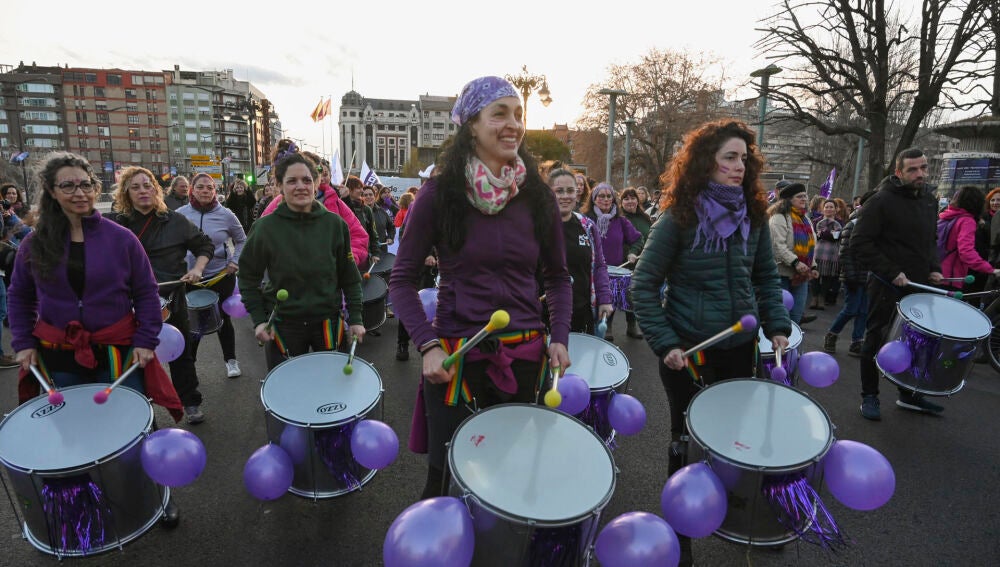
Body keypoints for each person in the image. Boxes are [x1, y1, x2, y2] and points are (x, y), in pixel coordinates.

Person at [389, 75, 571, 500]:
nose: (514, 124)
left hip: (526, 355)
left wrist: (559, 335)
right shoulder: (438, 194)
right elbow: (401, 279)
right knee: (446, 481)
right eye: (500, 114)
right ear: (471, 124)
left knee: (510, 477)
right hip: (456, 357)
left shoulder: (537, 197)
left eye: (519, 114)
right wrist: (428, 346)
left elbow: (558, 277)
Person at [630, 120, 790, 567]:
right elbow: (643, 285)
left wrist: (776, 324)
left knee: (737, 441)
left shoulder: (754, 216)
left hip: (738, 347)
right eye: (729, 158)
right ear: (706, 163)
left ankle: (742, 519)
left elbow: (764, 279)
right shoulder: (677, 217)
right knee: (688, 442)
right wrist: (665, 343)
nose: (740, 167)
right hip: (688, 353)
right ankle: (681, 534)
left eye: (744, 159)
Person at [238, 147, 365, 370]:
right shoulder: (264, 228)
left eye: (307, 180)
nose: (300, 187)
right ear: (279, 186)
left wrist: (355, 318)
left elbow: (349, 277)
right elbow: (248, 277)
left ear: (316, 184)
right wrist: (259, 319)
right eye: (292, 181)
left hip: (328, 322)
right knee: (286, 395)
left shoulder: (335, 225)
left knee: (331, 395)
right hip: (283, 324)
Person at [110, 166, 214, 425]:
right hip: (131, 301)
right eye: (135, 187)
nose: (143, 191)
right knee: (136, 356)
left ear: (156, 189)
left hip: (171, 297)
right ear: (126, 193)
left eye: (147, 185)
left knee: (181, 352)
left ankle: (190, 401)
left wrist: (197, 268)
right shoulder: (115, 224)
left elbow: (204, 245)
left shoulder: (176, 221)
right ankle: (142, 411)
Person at [852, 148, 944, 420]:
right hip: (886, 285)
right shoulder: (881, 201)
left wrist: (934, 268)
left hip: (918, 287)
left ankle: (909, 395)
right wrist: (892, 271)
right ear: (899, 172)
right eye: (913, 169)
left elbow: (930, 242)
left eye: (924, 168)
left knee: (916, 343)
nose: (920, 174)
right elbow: (859, 243)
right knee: (876, 340)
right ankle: (870, 396)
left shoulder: (929, 199)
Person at [176, 173, 247, 378]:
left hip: (221, 275)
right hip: (191, 278)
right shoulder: (180, 214)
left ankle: (231, 361)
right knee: (193, 323)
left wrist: (235, 261)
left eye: (210, 187)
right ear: (192, 190)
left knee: (223, 320)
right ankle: (190, 365)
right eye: (200, 187)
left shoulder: (226, 214)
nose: (205, 191)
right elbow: (172, 243)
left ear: (215, 191)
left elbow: (242, 240)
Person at [261, 145, 370, 266]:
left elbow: (358, 236)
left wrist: (348, 260)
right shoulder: (277, 204)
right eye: (295, 179)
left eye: (318, 173)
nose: (302, 185)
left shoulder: (335, 201)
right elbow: (259, 243)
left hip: (330, 280)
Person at [548, 168, 613, 333]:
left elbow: (599, 265)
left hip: (581, 312)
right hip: (546, 315)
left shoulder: (587, 226)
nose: (565, 196)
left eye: (570, 190)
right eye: (559, 191)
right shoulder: (537, 225)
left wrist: (604, 299)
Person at [583, 182, 643, 341]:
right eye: (601, 196)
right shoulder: (585, 219)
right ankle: (605, 326)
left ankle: (631, 325)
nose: (605, 199)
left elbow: (637, 239)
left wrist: (632, 252)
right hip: (593, 270)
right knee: (599, 299)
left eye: (609, 196)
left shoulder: (621, 221)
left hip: (617, 269)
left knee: (628, 296)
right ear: (594, 199)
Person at [823, 192, 870, 356]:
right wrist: (850, 275)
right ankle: (832, 334)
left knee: (864, 311)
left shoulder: (877, 225)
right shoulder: (853, 224)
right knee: (851, 309)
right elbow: (845, 253)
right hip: (854, 275)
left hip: (869, 276)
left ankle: (857, 341)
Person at [768, 182, 819, 325]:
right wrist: (795, 262)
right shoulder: (779, 217)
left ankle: (791, 347)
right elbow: (778, 246)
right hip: (781, 275)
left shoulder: (806, 219)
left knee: (795, 318)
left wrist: (813, 266)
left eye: (805, 196)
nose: (804, 199)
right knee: (780, 318)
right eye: (799, 196)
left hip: (802, 276)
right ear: (789, 199)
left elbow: (811, 246)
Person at [938, 186, 1000, 292]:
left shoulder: (945, 216)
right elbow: (966, 252)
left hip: (934, 273)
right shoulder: (967, 221)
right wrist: (991, 269)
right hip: (951, 278)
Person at [620, 186, 653, 339]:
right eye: (626, 198)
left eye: (633, 198)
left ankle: (632, 326)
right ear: (621, 202)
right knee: (615, 293)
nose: (630, 201)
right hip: (623, 262)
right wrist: (630, 252)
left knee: (632, 296)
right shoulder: (619, 218)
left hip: (642, 263)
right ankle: (607, 327)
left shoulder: (645, 218)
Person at [811, 199, 843, 309]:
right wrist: (829, 234)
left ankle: (822, 299)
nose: (828, 209)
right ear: (822, 209)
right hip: (817, 252)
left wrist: (825, 234)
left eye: (831, 207)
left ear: (836, 209)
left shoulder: (840, 222)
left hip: (832, 254)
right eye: (826, 207)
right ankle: (814, 298)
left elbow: (837, 237)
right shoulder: (816, 221)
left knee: (827, 277)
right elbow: (816, 235)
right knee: (814, 275)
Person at [364, 185, 396, 255]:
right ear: (361, 197)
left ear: (374, 196)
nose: (368, 197)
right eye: (365, 195)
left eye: (370, 194)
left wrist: (390, 237)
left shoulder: (382, 211)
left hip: (382, 252)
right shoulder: (356, 213)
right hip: (364, 253)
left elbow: (391, 226)